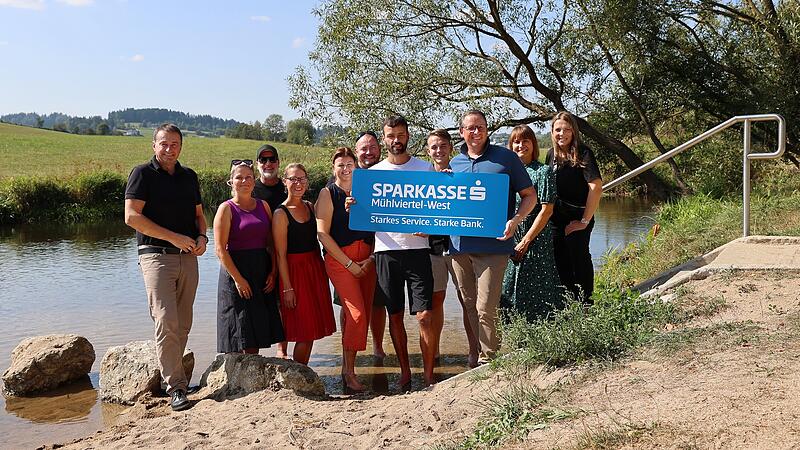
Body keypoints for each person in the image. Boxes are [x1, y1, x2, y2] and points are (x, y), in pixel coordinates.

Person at [124, 123, 207, 412]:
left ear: (181, 146)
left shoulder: (189, 176)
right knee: (165, 320)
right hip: (156, 255)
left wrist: (201, 237)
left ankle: (176, 378)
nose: (169, 149)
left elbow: (199, 215)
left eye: (174, 144)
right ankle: (177, 388)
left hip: (188, 256)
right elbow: (132, 217)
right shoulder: (142, 174)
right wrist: (175, 237)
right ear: (154, 145)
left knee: (183, 323)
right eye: (164, 144)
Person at [448, 110, 537, 364]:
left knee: (485, 307)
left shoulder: (506, 158)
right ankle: (477, 354)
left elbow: (530, 196)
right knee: (469, 304)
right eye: (470, 128)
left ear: (487, 129)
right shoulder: (454, 165)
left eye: (481, 127)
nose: (476, 132)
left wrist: (515, 220)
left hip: (494, 246)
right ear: (462, 132)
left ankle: (491, 360)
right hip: (459, 246)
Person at [369, 115, 437, 386]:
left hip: (418, 251)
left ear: (408, 135)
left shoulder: (426, 170)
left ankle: (429, 374)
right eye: (390, 135)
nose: (395, 140)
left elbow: (439, 211)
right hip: (386, 252)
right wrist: (354, 207)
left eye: (400, 134)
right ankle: (405, 371)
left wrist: (430, 227)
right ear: (384, 139)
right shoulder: (373, 174)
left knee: (424, 315)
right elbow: (363, 214)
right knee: (394, 315)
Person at [316, 147, 377, 391]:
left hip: (369, 258)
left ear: (356, 165)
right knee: (357, 314)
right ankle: (349, 372)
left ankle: (346, 368)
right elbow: (322, 234)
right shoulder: (327, 193)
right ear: (334, 168)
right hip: (341, 260)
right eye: (340, 164)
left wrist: (371, 259)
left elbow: (381, 223)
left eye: (349, 164)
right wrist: (350, 264)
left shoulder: (369, 189)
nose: (345, 168)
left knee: (362, 316)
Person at [213, 160, 285, 355]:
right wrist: (238, 279)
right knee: (239, 329)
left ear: (254, 182)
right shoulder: (226, 209)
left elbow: (271, 243)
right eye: (239, 177)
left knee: (256, 333)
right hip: (236, 272)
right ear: (231, 182)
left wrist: (273, 272)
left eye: (248, 177)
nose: (244, 181)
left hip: (261, 271)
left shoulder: (264, 206)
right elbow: (220, 249)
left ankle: (254, 379)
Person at [272, 163, 336, 365]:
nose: (298, 183)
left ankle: (302, 371)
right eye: (293, 179)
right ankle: (299, 372)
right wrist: (287, 288)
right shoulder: (280, 214)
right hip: (295, 273)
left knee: (312, 329)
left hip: (314, 270)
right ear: (285, 182)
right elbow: (280, 255)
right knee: (304, 329)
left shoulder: (309, 206)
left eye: (301, 179)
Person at [501, 125, 562, 322]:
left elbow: (547, 210)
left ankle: (542, 336)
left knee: (536, 290)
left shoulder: (542, 171)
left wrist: (526, 241)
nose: (520, 145)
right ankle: (514, 340)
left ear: (533, 144)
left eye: (525, 141)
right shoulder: (504, 174)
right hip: (509, 239)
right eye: (516, 142)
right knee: (508, 290)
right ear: (510, 146)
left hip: (534, 239)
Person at [545, 111, 603, 301]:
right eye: (558, 130)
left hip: (578, 216)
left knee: (579, 259)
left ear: (574, 132)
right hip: (556, 218)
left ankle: (586, 303)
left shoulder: (583, 153)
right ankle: (568, 305)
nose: (562, 134)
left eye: (567, 130)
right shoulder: (551, 155)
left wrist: (584, 221)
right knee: (559, 261)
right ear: (552, 132)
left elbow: (595, 187)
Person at [253, 144, 288, 212]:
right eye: (263, 160)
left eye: (272, 159)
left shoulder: (288, 188)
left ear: (278, 163)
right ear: (257, 165)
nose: (268, 164)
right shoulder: (251, 190)